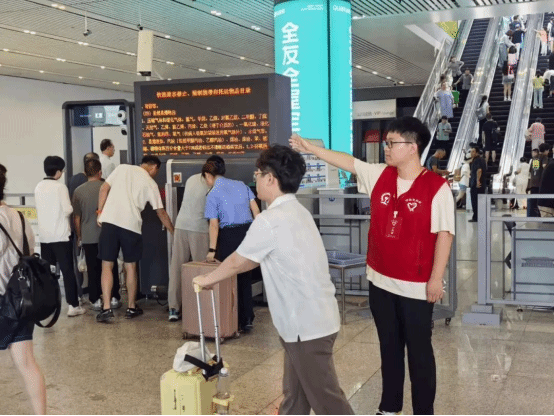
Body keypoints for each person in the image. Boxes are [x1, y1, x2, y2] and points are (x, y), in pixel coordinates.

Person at [289, 117, 455, 416]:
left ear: (413, 147)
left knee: (419, 353)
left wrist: (436, 278)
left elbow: (445, 234)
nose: (386, 148)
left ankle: (424, 411)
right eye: (386, 143)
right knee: (389, 348)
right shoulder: (380, 175)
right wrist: (310, 149)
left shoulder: (436, 187)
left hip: (416, 286)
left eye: (392, 143)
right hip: (380, 280)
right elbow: (348, 162)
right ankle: (389, 407)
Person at [194, 145, 354, 416]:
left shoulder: (270, 220)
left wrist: (208, 278)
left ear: (270, 178)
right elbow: (251, 259)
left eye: (257, 174)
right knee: (295, 398)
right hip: (310, 322)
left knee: (328, 402)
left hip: (306, 327)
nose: (255, 179)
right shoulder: (297, 211)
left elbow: (237, 260)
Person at [96, 156, 175, 323]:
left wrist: (100, 212)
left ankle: (106, 308)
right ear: (154, 168)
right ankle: (131, 307)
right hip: (130, 226)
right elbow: (160, 212)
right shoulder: (150, 183)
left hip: (109, 222)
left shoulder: (121, 168)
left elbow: (103, 188)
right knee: (130, 266)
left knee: (107, 265)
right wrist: (173, 231)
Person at [0, 168, 47, 415]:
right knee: (27, 363)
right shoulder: (18, 216)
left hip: (2, 301)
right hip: (22, 300)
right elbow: (28, 251)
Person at [203, 157, 261, 333]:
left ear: (208, 175)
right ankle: (247, 318)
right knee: (245, 276)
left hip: (229, 236)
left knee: (228, 276)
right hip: (247, 233)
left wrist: (212, 250)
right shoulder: (241, 185)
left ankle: (231, 319)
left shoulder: (212, 194)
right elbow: (256, 211)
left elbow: (214, 225)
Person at [34, 156, 85, 317]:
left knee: (49, 273)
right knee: (67, 271)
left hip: (45, 237)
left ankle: (50, 305)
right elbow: (68, 209)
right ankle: (73, 305)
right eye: (62, 170)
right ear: (57, 172)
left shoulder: (38, 186)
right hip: (61, 236)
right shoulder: (60, 187)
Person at [167, 157, 216, 322]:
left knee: (177, 268)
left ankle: (173, 308)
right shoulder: (212, 185)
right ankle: (203, 309)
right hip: (199, 229)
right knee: (201, 269)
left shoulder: (191, 179)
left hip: (181, 226)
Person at [72, 159, 121, 312]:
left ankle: (95, 300)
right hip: (108, 233)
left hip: (88, 236)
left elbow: (77, 218)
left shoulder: (78, 191)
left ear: (85, 173)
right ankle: (114, 297)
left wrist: (80, 236)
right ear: (100, 172)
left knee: (93, 269)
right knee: (111, 266)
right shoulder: (108, 187)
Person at [528, 147, 548, 218]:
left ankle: (532, 214)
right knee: (539, 200)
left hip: (534, 183)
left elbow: (534, 171)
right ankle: (538, 214)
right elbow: (544, 167)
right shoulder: (543, 157)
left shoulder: (535, 159)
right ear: (546, 150)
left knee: (533, 199)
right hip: (539, 183)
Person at [469, 146, 487, 223]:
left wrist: (477, 181)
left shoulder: (477, 160)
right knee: (480, 201)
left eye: (473, 151)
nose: (471, 153)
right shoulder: (482, 160)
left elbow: (479, 170)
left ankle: (476, 217)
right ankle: (480, 217)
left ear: (477, 152)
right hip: (482, 183)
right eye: (471, 151)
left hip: (476, 184)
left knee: (475, 200)